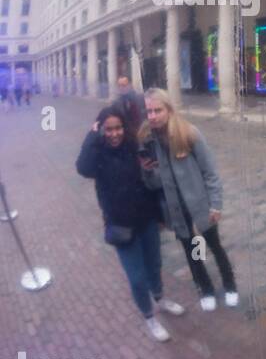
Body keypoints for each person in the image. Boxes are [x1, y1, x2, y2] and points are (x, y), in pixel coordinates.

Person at [76, 105, 185, 343]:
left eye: (118, 128)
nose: (114, 133)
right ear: (101, 129)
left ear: (124, 128)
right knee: (136, 278)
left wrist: (159, 215)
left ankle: (159, 298)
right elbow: (82, 168)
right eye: (108, 129)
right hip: (121, 227)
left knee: (154, 265)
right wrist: (92, 136)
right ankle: (149, 316)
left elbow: (151, 180)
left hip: (146, 220)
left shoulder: (134, 148)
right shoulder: (98, 155)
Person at [138, 89, 238, 312]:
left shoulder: (188, 133)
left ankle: (230, 285)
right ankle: (206, 289)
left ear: (169, 110)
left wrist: (216, 204)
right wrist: (146, 172)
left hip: (201, 206)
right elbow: (155, 185)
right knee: (193, 251)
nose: (153, 116)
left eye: (158, 110)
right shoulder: (148, 141)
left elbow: (210, 172)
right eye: (149, 111)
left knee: (214, 246)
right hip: (176, 210)